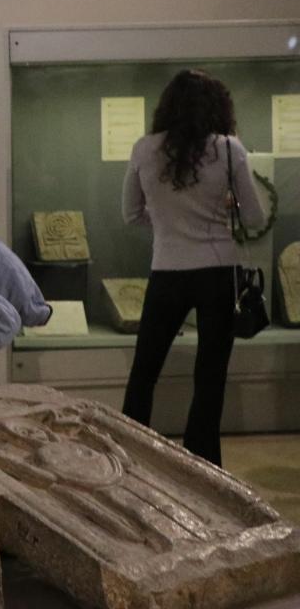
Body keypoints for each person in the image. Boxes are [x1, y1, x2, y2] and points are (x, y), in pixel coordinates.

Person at [121, 69, 263, 467]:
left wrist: (166, 222)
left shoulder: (144, 148)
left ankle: (129, 455)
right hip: (218, 271)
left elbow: (130, 213)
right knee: (210, 375)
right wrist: (223, 209)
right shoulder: (230, 149)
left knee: (145, 370)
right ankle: (203, 463)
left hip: (166, 267)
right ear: (218, 108)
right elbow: (254, 216)